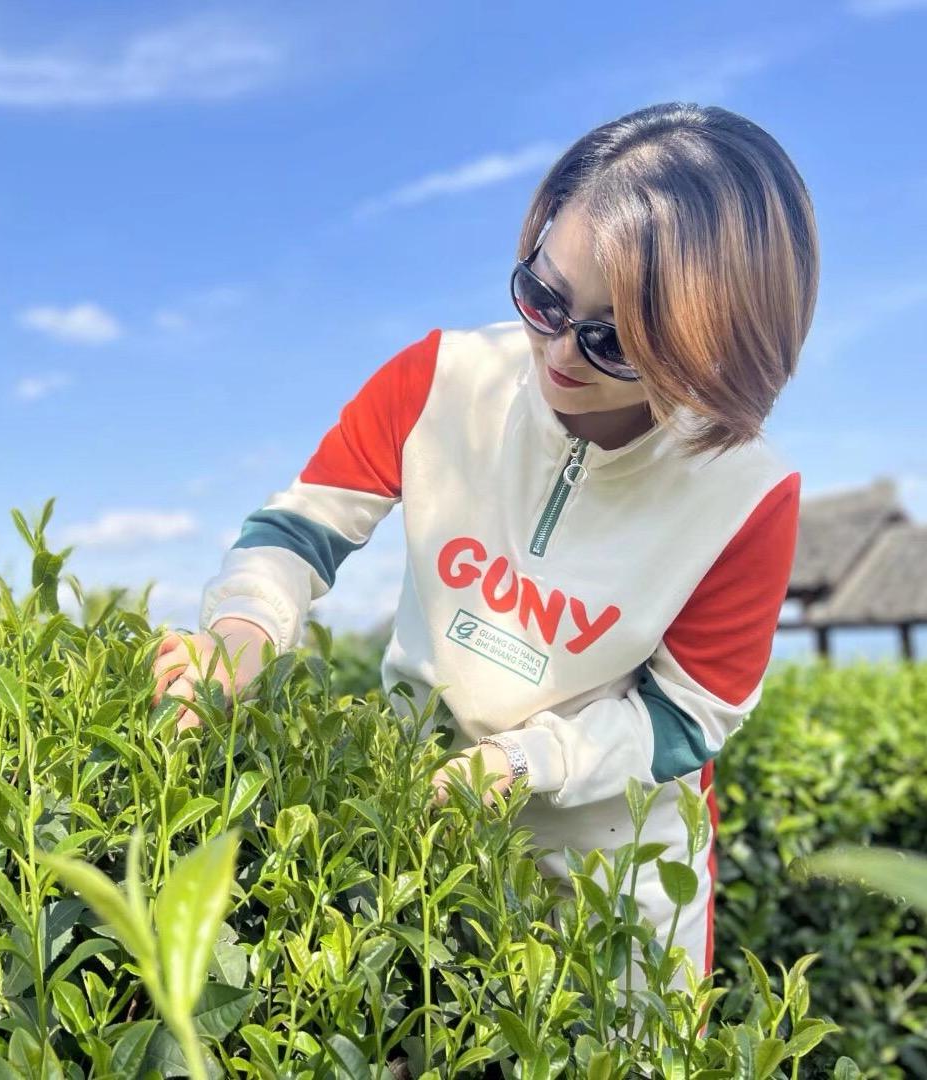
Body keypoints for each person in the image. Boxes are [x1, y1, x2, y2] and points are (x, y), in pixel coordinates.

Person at [151, 101, 818, 1019]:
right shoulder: (443, 377)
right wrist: (239, 634)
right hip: (416, 809)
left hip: (616, 862)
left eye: (616, 340)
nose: (557, 351)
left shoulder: (745, 495)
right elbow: (301, 534)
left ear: (712, 341)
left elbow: (688, 718)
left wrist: (522, 765)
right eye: (545, 296)